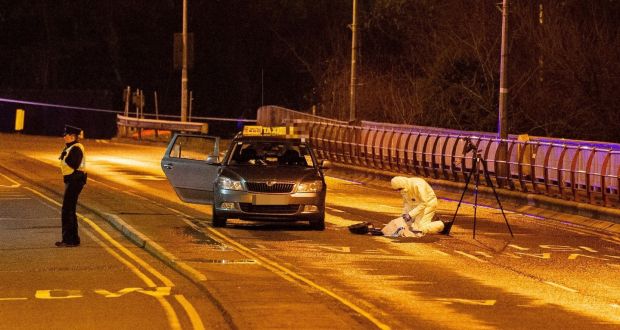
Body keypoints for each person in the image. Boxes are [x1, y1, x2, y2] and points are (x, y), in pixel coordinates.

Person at [381, 176, 447, 237]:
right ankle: (429, 220)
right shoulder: (404, 188)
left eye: (400, 189)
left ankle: (442, 225)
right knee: (408, 226)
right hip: (417, 205)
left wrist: (410, 214)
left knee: (419, 229)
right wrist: (405, 214)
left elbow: (424, 203)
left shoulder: (418, 185)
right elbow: (407, 202)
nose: (399, 191)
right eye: (398, 190)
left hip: (428, 204)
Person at [56, 125, 87, 247]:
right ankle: (73, 239)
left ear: (73, 136)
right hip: (72, 180)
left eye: (66, 135)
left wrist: (65, 157)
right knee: (70, 210)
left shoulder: (76, 148)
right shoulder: (70, 147)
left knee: (67, 210)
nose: (64, 137)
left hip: (75, 180)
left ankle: (69, 240)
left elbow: (74, 163)